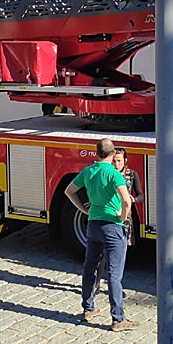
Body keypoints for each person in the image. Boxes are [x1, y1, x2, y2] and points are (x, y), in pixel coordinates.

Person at [64, 138, 137, 331]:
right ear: (113, 154)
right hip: (112, 227)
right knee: (114, 274)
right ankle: (118, 319)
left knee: (90, 266)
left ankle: (88, 308)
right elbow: (126, 201)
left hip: (93, 224)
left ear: (96, 153)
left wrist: (85, 209)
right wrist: (121, 216)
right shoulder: (114, 174)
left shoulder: (88, 171)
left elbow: (69, 191)